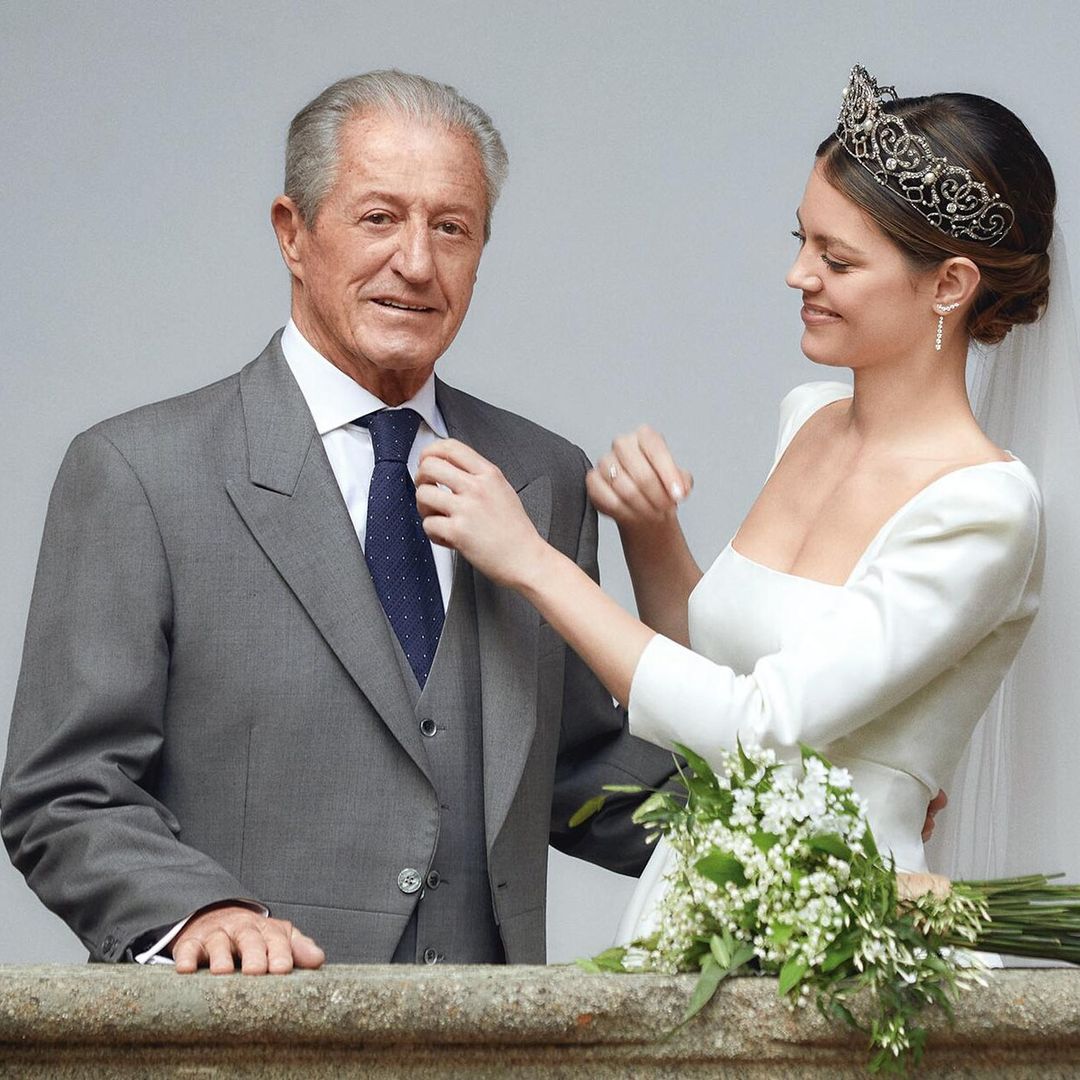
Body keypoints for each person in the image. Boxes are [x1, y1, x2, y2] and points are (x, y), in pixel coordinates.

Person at [0, 70, 676, 973]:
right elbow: (64, 791)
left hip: (492, 1040)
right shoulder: (139, 474)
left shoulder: (544, 476)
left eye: (450, 227)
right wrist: (197, 913)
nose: (417, 263)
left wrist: (819, 844)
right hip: (244, 1039)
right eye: (378, 218)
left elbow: (579, 767)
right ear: (293, 233)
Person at [413, 64, 1074, 944]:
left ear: (949, 285)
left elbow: (760, 727)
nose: (798, 274)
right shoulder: (807, 419)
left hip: (836, 933)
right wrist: (650, 533)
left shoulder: (983, 511)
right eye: (803, 239)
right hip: (700, 896)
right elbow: (708, 680)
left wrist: (533, 563)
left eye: (837, 259)